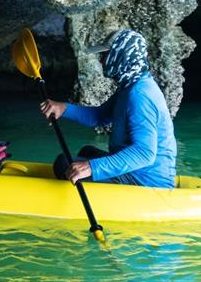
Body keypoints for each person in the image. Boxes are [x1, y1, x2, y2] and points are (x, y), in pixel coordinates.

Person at [39, 29, 177, 188]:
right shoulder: (129, 87)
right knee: (87, 152)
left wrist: (92, 167)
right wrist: (63, 108)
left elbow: (144, 153)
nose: (101, 61)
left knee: (63, 163)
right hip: (137, 171)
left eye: (105, 55)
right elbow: (99, 117)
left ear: (121, 56)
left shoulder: (140, 95)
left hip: (146, 181)